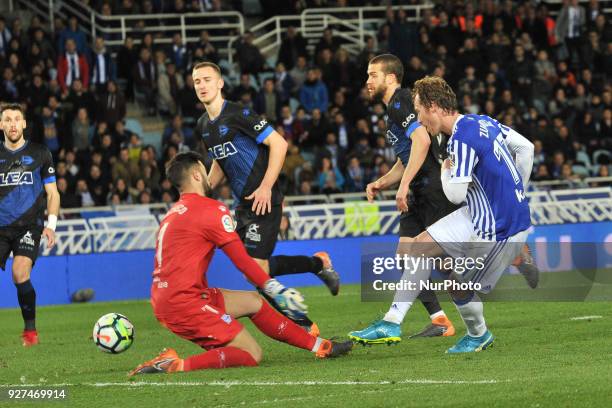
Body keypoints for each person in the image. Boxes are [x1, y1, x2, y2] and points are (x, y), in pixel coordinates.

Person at [128, 152, 351, 375]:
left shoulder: (173, 214)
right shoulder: (209, 209)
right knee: (252, 353)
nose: (209, 176)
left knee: (253, 302)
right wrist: (275, 288)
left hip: (174, 297)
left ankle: (321, 346)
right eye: (205, 171)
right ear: (197, 175)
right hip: (183, 302)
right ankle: (175, 365)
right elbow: (242, 260)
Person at [382, 76, 533, 353]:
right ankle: (391, 321)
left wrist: (444, 169)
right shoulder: (482, 121)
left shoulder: (459, 141)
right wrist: (517, 192)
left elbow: (455, 195)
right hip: (480, 212)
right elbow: (526, 149)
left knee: (455, 282)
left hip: (499, 229)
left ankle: (478, 335)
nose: (418, 118)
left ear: (434, 106)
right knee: (419, 247)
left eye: (419, 111)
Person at [192, 62, 339, 335]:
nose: (202, 85)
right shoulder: (204, 125)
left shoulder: (238, 113)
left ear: (220, 83)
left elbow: (279, 143)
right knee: (253, 270)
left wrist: (266, 186)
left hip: (264, 200)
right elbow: (221, 163)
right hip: (243, 206)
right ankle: (318, 264)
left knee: (255, 270)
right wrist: (202, 192)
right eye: (197, 81)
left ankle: (305, 325)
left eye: (207, 79)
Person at [348, 54, 458, 343]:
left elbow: (422, 141)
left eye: (373, 75)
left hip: (431, 190)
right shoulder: (394, 109)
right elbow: (407, 156)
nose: (368, 81)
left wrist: (403, 185)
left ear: (391, 78)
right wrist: (383, 182)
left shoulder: (400, 101)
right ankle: (439, 320)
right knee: (406, 257)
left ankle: (513, 256)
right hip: (418, 192)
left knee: (445, 264)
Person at [0, 103, 60, 346]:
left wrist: (51, 225)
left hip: (29, 226)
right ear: (1, 124)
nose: (13, 124)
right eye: (8, 120)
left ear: (24, 124)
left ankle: (30, 331)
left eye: (17, 119)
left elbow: (53, 194)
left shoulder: (40, 153)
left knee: (19, 272)